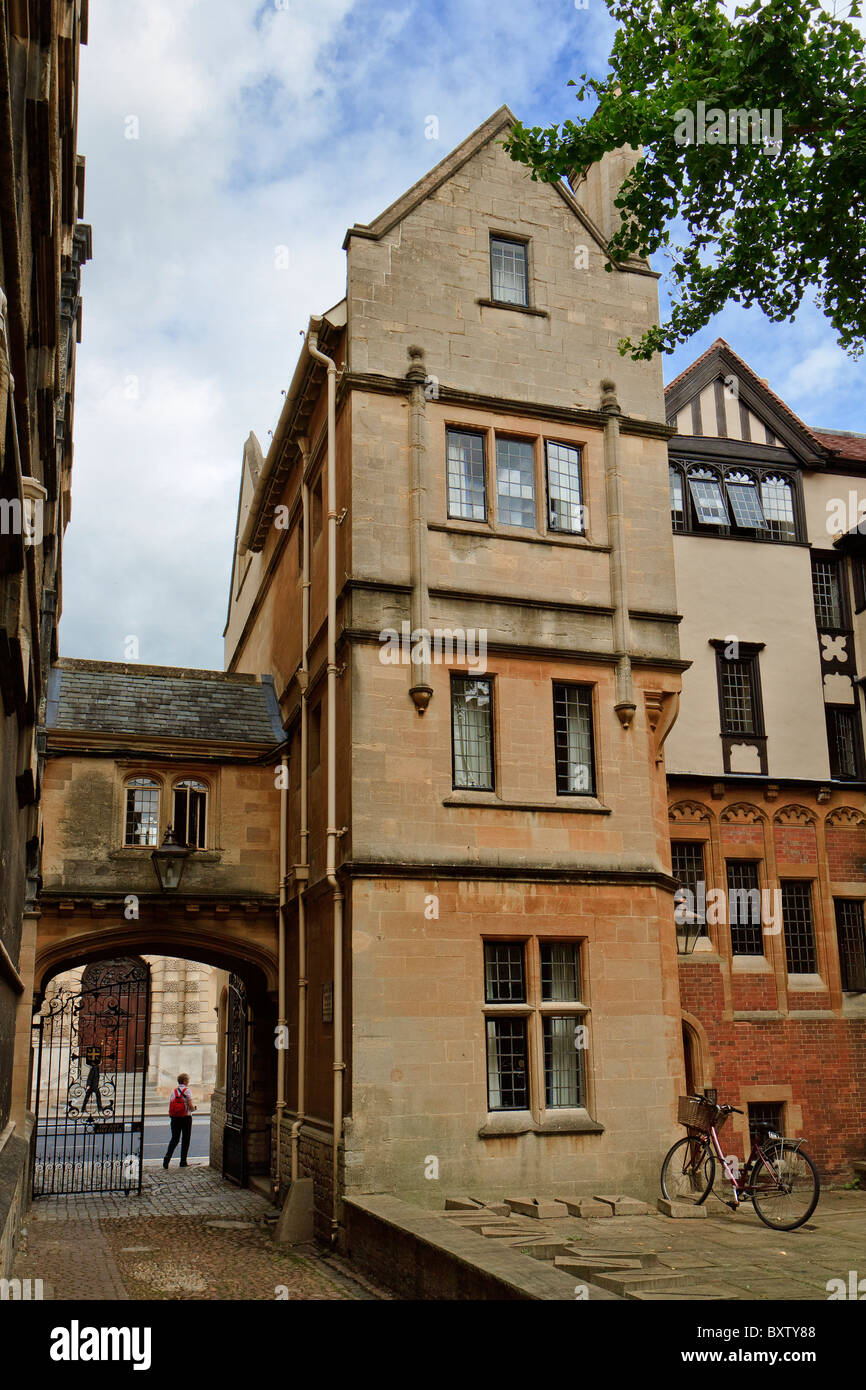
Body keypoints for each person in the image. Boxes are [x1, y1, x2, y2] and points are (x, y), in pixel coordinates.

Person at [163, 1073, 196, 1169]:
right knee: (185, 1139)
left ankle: (167, 1158)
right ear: (185, 1081)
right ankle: (183, 1161)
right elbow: (190, 1105)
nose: (188, 1082)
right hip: (186, 1117)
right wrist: (193, 1108)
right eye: (188, 1080)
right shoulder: (187, 1091)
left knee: (174, 1139)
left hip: (175, 1118)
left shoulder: (174, 1091)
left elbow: (171, 1103)